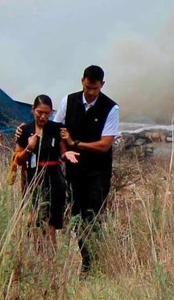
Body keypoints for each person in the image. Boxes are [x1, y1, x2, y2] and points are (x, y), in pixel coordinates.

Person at [54, 65, 120, 272]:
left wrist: (76, 144)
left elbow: (105, 144)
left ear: (102, 85)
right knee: (76, 216)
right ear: (82, 80)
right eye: (88, 86)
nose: (90, 92)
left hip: (98, 172)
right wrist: (65, 152)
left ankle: (93, 263)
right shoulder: (69, 101)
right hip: (75, 171)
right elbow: (59, 130)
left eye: (95, 88)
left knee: (92, 216)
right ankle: (86, 260)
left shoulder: (111, 108)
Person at [13, 95, 79, 250]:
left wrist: (67, 155)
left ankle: (51, 257)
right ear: (32, 110)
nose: (43, 116)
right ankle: (38, 254)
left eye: (47, 113)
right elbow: (18, 159)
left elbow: (62, 152)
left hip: (53, 176)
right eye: (39, 112)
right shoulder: (24, 130)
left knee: (50, 221)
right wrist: (30, 147)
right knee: (34, 219)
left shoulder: (56, 128)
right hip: (33, 177)